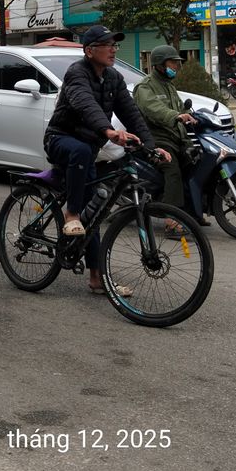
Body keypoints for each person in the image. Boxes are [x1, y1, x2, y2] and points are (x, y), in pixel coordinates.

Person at [43, 25, 169, 296]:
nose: (113, 49)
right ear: (90, 51)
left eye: (115, 44)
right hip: (60, 140)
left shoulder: (112, 77)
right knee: (81, 153)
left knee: (96, 210)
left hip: (90, 147)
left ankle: (97, 278)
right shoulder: (77, 73)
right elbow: (85, 104)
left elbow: (132, 112)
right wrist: (109, 131)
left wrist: (151, 146)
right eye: (107, 44)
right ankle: (71, 213)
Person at [133, 45, 207, 230]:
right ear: (159, 64)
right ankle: (171, 219)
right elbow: (153, 109)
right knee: (172, 169)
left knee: (196, 164)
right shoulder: (145, 86)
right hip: (156, 139)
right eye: (172, 62)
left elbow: (181, 109)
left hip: (176, 138)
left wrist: (193, 116)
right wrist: (175, 116)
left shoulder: (169, 86)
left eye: (177, 63)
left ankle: (193, 213)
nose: (176, 66)